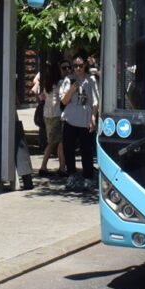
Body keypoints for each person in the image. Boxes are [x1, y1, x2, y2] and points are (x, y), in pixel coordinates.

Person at [59, 56, 100, 191]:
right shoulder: (68, 80)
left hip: (85, 119)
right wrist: (71, 89)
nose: (77, 68)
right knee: (68, 149)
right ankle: (72, 176)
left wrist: (93, 117)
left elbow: (95, 101)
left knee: (86, 150)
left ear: (85, 66)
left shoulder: (91, 80)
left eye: (80, 65)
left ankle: (88, 178)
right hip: (70, 119)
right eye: (75, 66)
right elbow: (63, 102)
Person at [39, 61, 66, 177]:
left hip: (47, 115)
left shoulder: (47, 84)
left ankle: (62, 166)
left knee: (58, 141)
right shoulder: (60, 83)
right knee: (53, 142)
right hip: (56, 114)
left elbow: (42, 96)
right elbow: (62, 98)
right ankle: (43, 166)